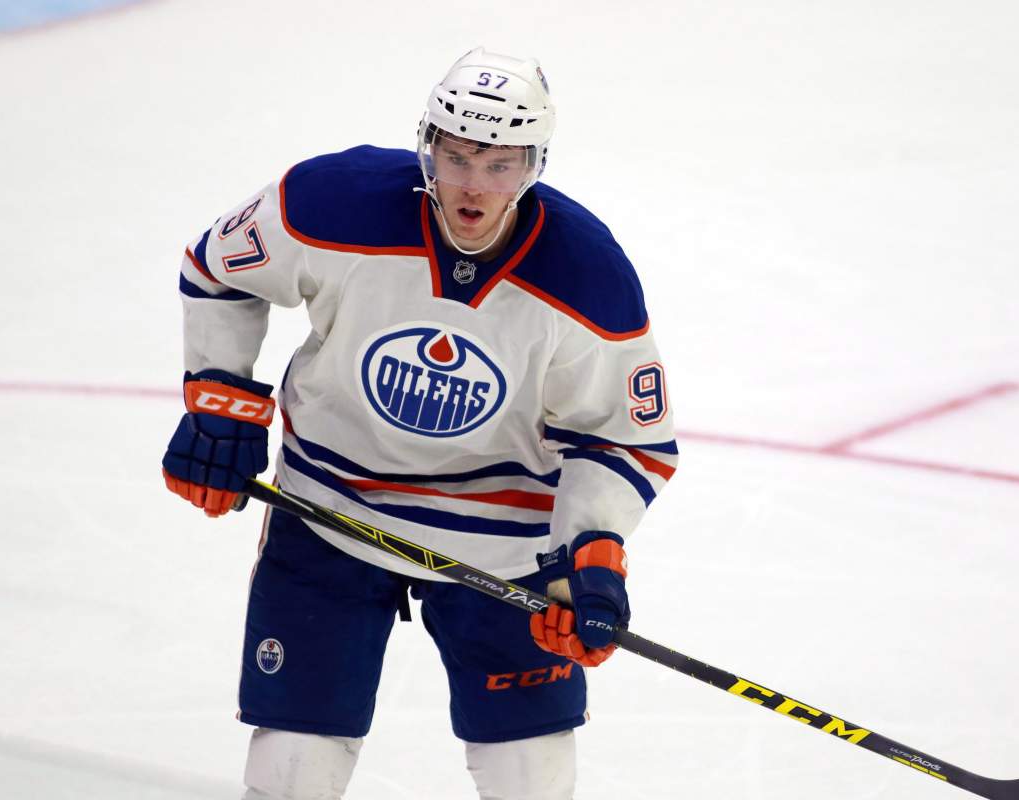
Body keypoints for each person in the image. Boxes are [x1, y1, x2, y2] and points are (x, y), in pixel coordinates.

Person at [162, 47, 677, 800]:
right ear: (425, 145)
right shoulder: (328, 203)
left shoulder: (587, 275)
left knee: (530, 776)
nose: (474, 185)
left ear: (536, 164)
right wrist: (220, 398)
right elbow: (218, 269)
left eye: (500, 164)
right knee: (290, 769)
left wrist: (589, 552)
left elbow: (623, 435)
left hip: (503, 549)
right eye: (457, 155)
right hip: (331, 511)